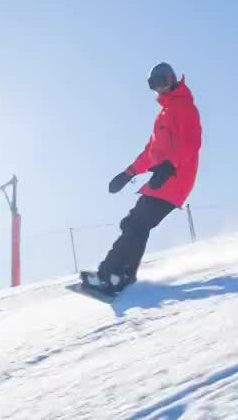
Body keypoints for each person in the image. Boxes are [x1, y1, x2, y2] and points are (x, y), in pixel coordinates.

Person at [82, 62, 202, 294]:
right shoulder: (163, 114)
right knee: (135, 224)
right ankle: (123, 275)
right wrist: (127, 174)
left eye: (164, 81)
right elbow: (151, 153)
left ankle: (109, 275)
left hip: (174, 180)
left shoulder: (185, 108)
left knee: (136, 223)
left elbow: (191, 143)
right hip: (162, 179)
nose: (160, 88)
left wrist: (169, 167)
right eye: (155, 84)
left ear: (173, 80)